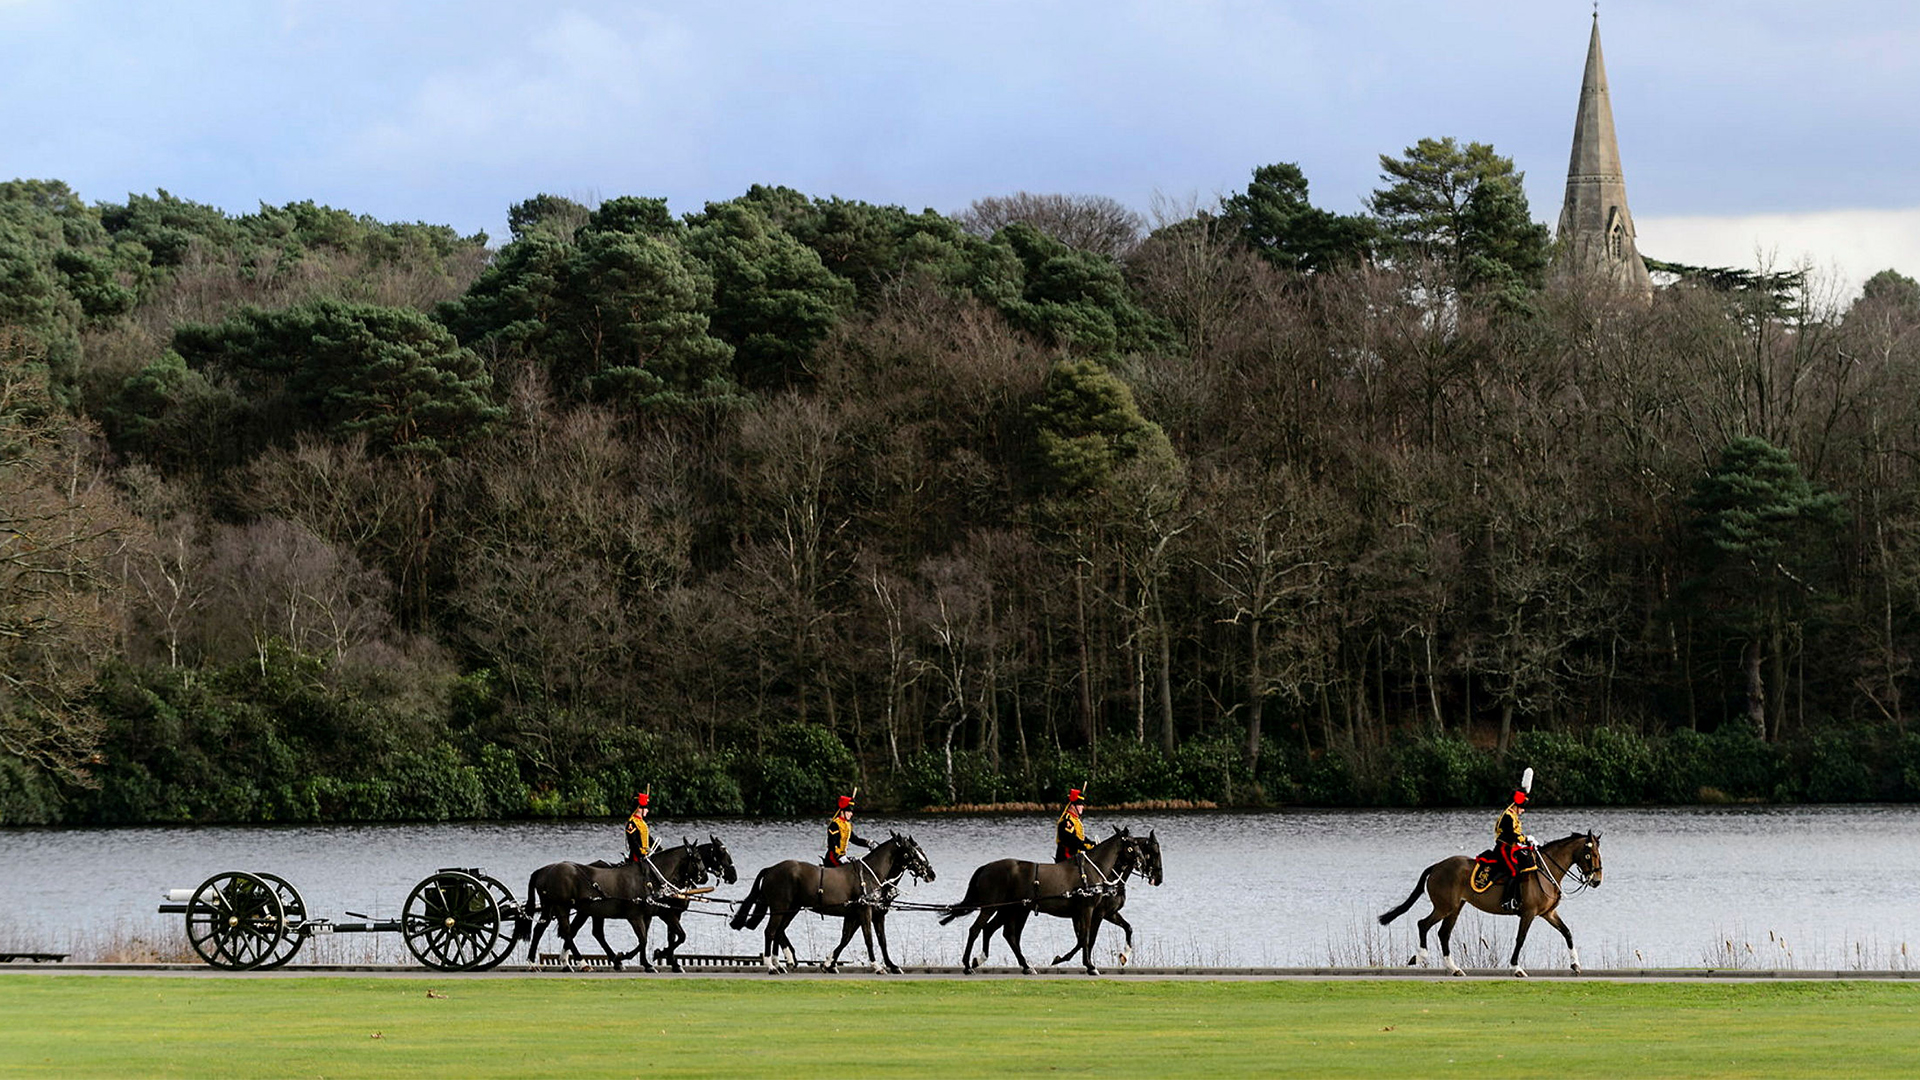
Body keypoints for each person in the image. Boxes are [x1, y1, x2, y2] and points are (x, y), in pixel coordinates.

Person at [1494, 770, 1535, 913]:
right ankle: (1507, 901)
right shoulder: (1508, 816)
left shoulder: (1513, 816)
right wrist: (1524, 840)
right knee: (1514, 871)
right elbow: (1511, 836)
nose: (1523, 810)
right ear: (1515, 805)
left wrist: (1526, 840)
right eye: (1522, 807)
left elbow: (1517, 835)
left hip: (1512, 848)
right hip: (1504, 849)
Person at [824, 793, 871, 868]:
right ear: (842, 812)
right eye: (849, 812)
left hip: (842, 857)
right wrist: (839, 856)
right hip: (833, 858)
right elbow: (832, 844)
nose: (851, 814)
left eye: (851, 812)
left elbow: (854, 839)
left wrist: (868, 843)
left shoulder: (847, 825)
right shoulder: (834, 825)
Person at [1055, 787, 1094, 863]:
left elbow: (1080, 838)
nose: (1082, 807)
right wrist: (1086, 846)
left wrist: (1091, 843)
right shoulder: (1067, 821)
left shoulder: (1075, 820)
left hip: (1075, 858)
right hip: (1066, 860)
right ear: (1072, 806)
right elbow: (1071, 840)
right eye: (1080, 804)